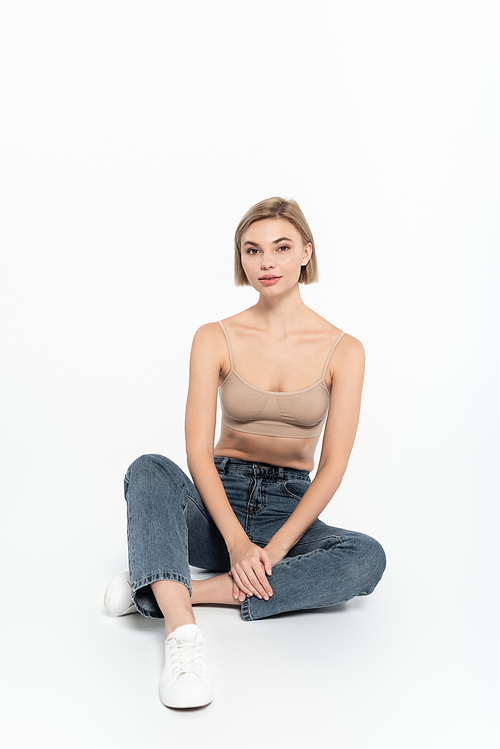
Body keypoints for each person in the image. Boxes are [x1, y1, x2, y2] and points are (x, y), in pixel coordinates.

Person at [104, 196, 386, 709]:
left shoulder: (345, 350)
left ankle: (161, 584)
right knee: (148, 469)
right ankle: (182, 633)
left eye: (281, 247)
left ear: (306, 252)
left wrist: (274, 550)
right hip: (218, 506)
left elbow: (334, 465)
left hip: (290, 508)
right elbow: (195, 450)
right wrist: (235, 542)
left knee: (366, 559)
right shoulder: (214, 336)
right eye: (252, 250)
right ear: (242, 259)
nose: (267, 262)